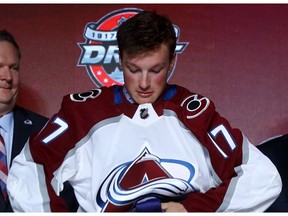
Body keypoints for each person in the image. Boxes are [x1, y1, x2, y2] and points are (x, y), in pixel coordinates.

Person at [7, 10, 281, 212]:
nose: (144, 83)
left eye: (156, 70)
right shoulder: (82, 114)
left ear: (172, 61)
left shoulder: (196, 114)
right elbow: (28, 170)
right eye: (133, 69)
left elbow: (261, 178)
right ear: (120, 60)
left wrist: (194, 210)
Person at [0, 30, 78, 212]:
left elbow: (68, 197)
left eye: (14, 68)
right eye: (0, 66)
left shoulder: (47, 131)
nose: (8, 77)